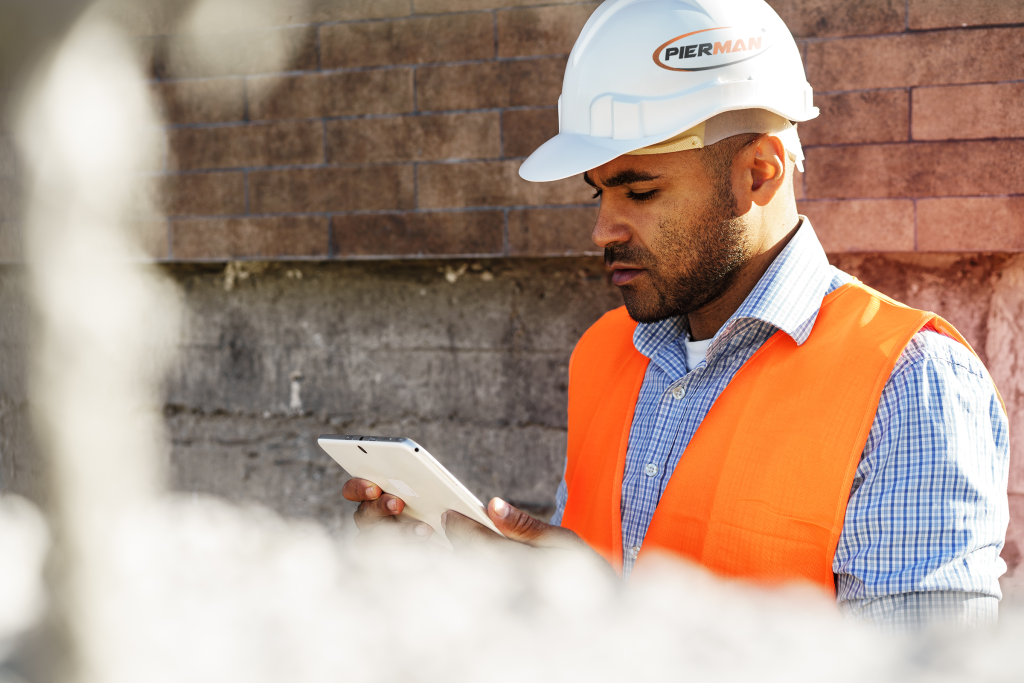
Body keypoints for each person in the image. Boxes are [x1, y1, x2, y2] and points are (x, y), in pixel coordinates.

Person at [343, 0, 1009, 629]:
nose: (604, 228)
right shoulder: (606, 353)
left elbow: (929, 667)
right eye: (599, 192)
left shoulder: (910, 384)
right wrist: (457, 583)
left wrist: (612, 618)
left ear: (759, 172)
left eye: (640, 188)